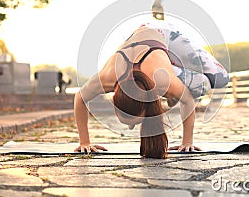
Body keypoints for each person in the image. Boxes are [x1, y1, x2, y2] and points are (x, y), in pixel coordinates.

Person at [74, 21, 229, 158]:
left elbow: (187, 99)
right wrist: (84, 141)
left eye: (135, 123)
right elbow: (79, 97)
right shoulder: (108, 77)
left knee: (216, 80)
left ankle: (173, 83)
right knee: (174, 87)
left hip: (163, 33)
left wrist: (187, 141)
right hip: (145, 46)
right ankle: (173, 82)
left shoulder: (161, 80)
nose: (130, 127)